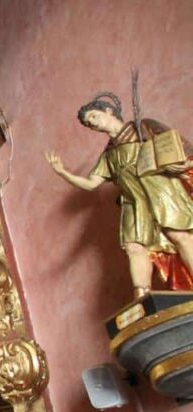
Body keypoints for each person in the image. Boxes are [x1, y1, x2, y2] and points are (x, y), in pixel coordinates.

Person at [46, 92, 193, 299]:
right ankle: (142, 300)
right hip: (133, 202)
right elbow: (91, 184)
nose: (93, 125)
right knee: (134, 247)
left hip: (161, 190)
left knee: (179, 235)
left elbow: (182, 151)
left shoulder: (144, 127)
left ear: (108, 110)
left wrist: (181, 164)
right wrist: (64, 173)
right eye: (89, 124)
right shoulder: (109, 153)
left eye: (94, 117)